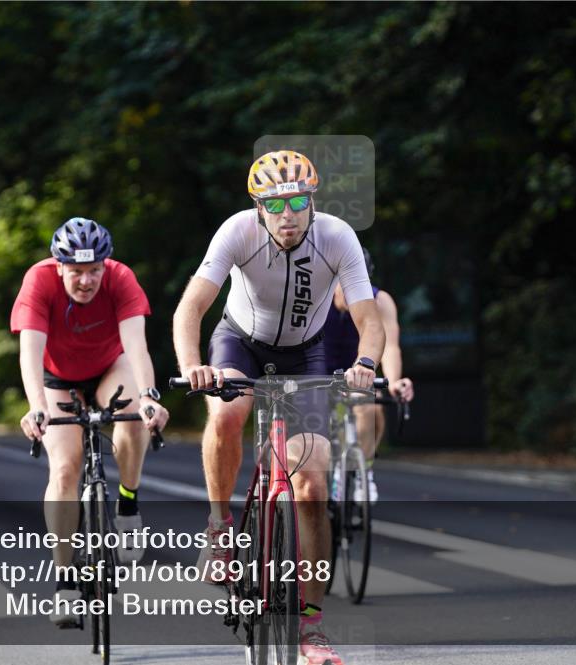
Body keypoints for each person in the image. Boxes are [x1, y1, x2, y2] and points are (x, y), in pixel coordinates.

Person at [172, 150, 384, 665]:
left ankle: (311, 626)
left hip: (306, 354)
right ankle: (220, 527)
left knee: (311, 485)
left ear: (312, 201)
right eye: (274, 205)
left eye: (297, 202)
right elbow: (191, 308)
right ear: (258, 207)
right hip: (240, 342)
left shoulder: (337, 237)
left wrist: (365, 362)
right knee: (227, 413)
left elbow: (369, 318)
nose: (287, 215)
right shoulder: (236, 232)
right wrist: (194, 365)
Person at [12, 217, 169, 627]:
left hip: (108, 367)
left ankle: (128, 503)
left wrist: (149, 397)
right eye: (77, 271)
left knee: (133, 413)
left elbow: (136, 346)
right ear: (59, 266)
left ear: (106, 265)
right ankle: (65, 582)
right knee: (65, 469)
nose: (86, 281)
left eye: (94, 270)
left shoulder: (121, 279)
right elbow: (30, 354)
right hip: (57, 378)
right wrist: (37, 407)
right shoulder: (38, 281)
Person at [323, 248, 415, 503]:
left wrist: (394, 382)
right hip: (319, 371)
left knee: (370, 406)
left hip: (358, 372)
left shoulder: (380, 301)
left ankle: (363, 470)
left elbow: (390, 347)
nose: (353, 291)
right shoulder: (317, 298)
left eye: (359, 283)